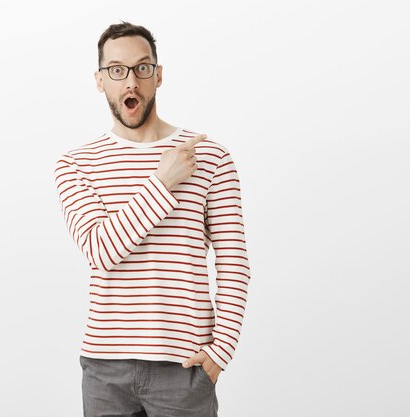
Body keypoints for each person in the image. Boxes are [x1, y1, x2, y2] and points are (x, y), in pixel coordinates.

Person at [53, 20, 251, 417]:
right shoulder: (76, 164)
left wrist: (221, 351)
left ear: (158, 75)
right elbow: (101, 250)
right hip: (105, 369)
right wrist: (162, 181)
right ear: (100, 80)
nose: (131, 82)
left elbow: (233, 264)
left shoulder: (210, 157)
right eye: (117, 70)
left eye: (142, 68)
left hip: (185, 367)